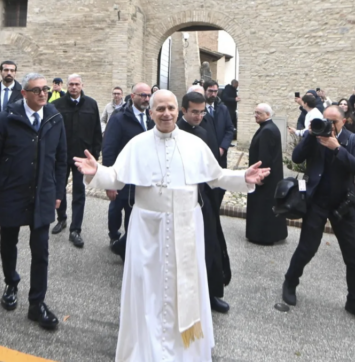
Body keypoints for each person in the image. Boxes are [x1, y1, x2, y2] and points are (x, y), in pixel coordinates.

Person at [74, 90, 268, 361]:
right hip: (147, 229)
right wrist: (98, 172)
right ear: (151, 112)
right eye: (160, 108)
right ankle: (145, 349)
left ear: (178, 111)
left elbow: (216, 176)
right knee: (147, 288)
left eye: (171, 108)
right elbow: (116, 177)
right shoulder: (137, 143)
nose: (166, 113)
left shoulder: (194, 144)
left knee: (184, 288)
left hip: (186, 225)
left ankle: (183, 351)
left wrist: (242, 176)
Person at [0, 73, 66, 329]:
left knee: (41, 250)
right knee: (8, 242)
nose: (42, 93)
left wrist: (58, 192)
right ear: (24, 93)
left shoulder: (54, 117)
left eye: (45, 89)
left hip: (42, 194)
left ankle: (37, 303)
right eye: (36, 90)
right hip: (10, 192)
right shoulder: (7, 117)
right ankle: (11, 282)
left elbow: (61, 159)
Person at [282, 105, 355, 325]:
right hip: (317, 202)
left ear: (344, 122)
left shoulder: (351, 140)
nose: (329, 125)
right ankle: (290, 282)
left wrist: (337, 148)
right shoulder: (315, 136)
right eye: (325, 120)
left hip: (344, 204)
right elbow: (296, 157)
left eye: (333, 121)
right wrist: (311, 136)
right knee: (307, 248)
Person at [178, 91, 233, 313]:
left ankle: (210, 294)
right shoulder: (176, 132)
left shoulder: (203, 128)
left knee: (209, 246)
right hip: (184, 199)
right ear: (184, 111)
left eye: (201, 112)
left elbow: (212, 166)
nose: (199, 116)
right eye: (194, 112)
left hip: (205, 196)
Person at [101, 83, 153, 257]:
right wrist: (110, 182)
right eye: (142, 95)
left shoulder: (152, 118)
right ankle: (114, 236)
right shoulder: (119, 118)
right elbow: (108, 149)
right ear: (133, 96)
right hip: (122, 176)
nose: (146, 98)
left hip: (142, 179)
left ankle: (128, 247)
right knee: (116, 208)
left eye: (148, 95)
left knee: (134, 213)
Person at [52, 74, 102, 247]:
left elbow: (96, 130)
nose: (74, 87)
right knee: (59, 188)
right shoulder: (57, 105)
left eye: (77, 84)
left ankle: (76, 229)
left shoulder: (91, 104)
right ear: (67, 86)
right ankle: (62, 218)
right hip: (61, 156)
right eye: (71, 84)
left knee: (79, 192)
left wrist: (94, 154)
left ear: (82, 85)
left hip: (82, 156)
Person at [246, 103, 287, 245]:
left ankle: (263, 235)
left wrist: (260, 176)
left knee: (263, 205)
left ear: (267, 115)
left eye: (259, 113)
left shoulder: (267, 130)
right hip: (270, 175)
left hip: (265, 176)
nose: (255, 115)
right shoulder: (268, 128)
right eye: (255, 112)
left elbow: (264, 156)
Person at [204, 80, 235, 168]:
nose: (213, 94)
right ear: (204, 91)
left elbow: (229, 129)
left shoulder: (223, 109)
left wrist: (223, 147)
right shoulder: (199, 110)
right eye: (210, 91)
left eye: (215, 91)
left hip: (220, 156)